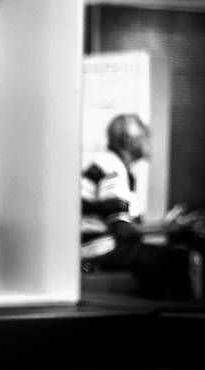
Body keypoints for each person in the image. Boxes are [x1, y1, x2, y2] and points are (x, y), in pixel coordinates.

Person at [80, 113, 191, 300]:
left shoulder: (114, 166)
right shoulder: (112, 169)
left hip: (102, 246)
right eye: (145, 135)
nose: (150, 140)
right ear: (128, 140)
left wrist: (163, 225)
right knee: (177, 258)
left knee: (159, 258)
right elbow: (123, 230)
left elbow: (123, 225)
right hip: (98, 250)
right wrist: (167, 228)